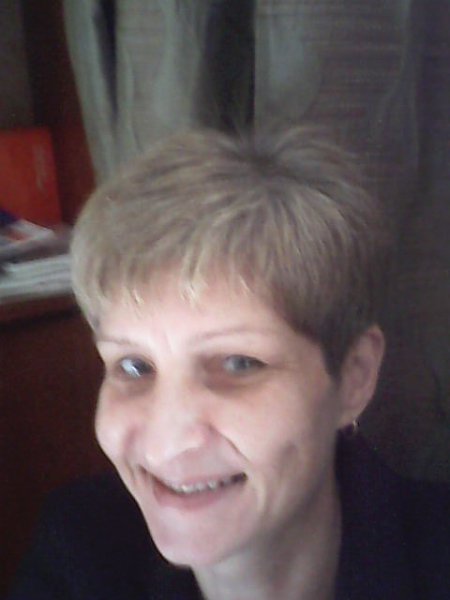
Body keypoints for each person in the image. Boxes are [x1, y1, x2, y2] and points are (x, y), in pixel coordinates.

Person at [8, 127, 450, 600]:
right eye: (134, 366)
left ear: (354, 376)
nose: (167, 443)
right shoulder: (78, 547)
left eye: (239, 363)